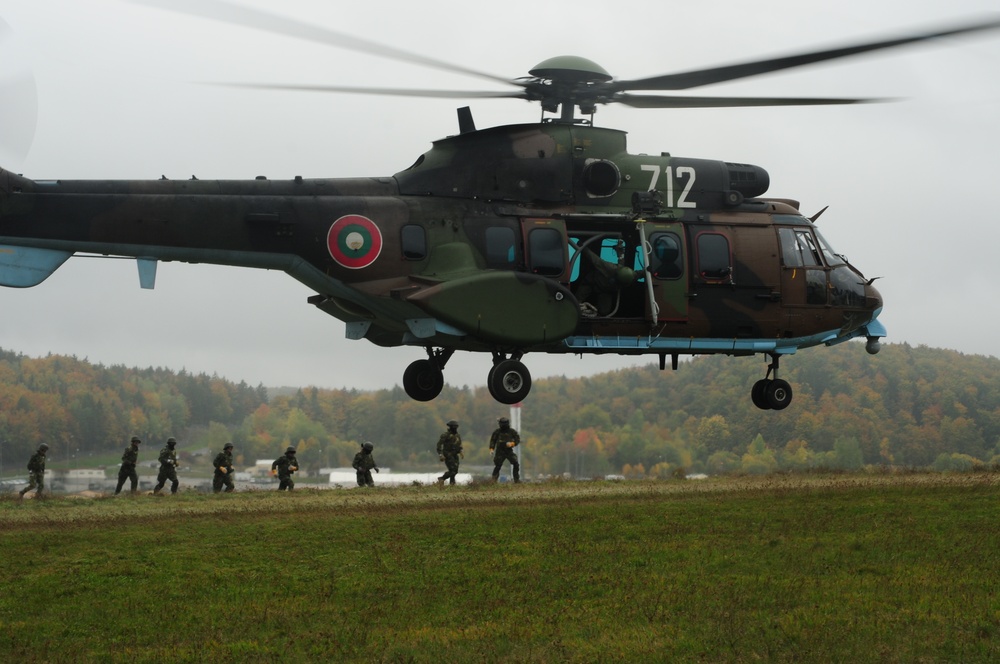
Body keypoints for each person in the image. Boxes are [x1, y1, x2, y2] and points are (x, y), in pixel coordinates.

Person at [489, 416, 521, 483]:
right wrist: (491, 449)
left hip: (508, 450)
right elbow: (493, 441)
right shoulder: (497, 432)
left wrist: (512, 443)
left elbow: (517, 439)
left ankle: (516, 480)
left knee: (516, 464)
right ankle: (493, 480)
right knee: (498, 466)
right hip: (499, 451)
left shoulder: (511, 431)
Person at [436, 420, 463, 486]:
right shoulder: (445, 435)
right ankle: (443, 478)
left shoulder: (457, 435)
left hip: (455, 455)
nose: (455, 428)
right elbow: (439, 445)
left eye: (456, 426)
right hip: (448, 454)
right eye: (454, 426)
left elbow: (459, 444)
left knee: (455, 470)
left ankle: (451, 483)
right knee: (453, 470)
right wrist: (440, 454)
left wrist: (461, 451)